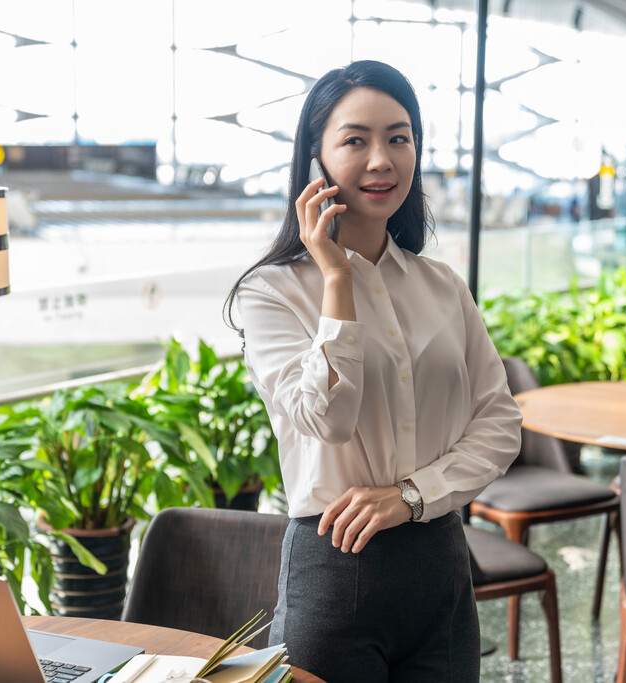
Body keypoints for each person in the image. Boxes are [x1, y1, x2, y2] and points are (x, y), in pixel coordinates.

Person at [224, 60, 522, 682]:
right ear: (316, 160)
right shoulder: (271, 292)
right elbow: (326, 422)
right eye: (355, 139)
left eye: (399, 136)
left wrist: (411, 497)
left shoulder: (441, 285)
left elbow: (500, 424)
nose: (382, 159)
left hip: (440, 565)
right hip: (336, 570)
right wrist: (336, 278)